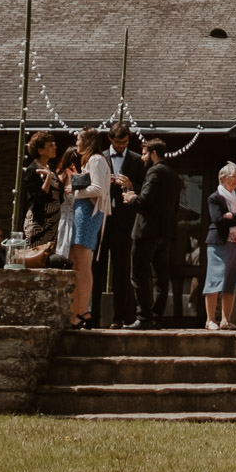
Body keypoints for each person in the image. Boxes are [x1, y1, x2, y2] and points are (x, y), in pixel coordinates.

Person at [94, 122, 144, 328]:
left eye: (125, 142)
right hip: (102, 218)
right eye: (118, 142)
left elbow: (144, 187)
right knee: (97, 267)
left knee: (121, 270)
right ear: (110, 140)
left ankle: (120, 317)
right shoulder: (100, 158)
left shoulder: (136, 159)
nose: (122, 146)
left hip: (124, 221)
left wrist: (131, 185)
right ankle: (94, 317)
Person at [132, 139, 182, 327]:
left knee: (140, 274)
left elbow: (145, 200)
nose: (142, 157)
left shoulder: (154, 171)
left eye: (144, 153)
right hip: (165, 232)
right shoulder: (174, 176)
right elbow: (175, 207)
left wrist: (131, 198)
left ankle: (144, 317)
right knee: (161, 277)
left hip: (147, 231)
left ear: (154, 154)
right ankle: (156, 317)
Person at [67, 127, 112, 329]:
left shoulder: (96, 160)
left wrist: (75, 191)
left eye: (78, 139)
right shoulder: (90, 161)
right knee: (76, 262)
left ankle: (84, 310)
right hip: (82, 211)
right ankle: (76, 310)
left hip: (89, 212)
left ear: (87, 141)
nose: (76, 143)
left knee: (84, 264)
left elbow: (98, 189)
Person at [199, 158, 236, 329]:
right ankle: (210, 319)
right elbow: (217, 219)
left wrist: (231, 216)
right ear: (222, 178)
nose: (235, 180)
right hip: (219, 243)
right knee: (214, 279)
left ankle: (226, 320)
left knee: (230, 281)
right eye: (232, 176)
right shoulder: (214, 198)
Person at [21, 133, 64, 254]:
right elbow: (37, 199)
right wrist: (48, 178)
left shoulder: (50, 167)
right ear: (40, 150)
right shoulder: (32, 170)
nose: (54, 147)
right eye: (50, 145)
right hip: (39, 222)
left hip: (53, 222)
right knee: (36, 257)